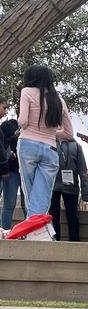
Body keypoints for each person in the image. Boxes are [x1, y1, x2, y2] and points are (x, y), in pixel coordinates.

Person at [17, 65, 73, 219]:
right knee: (42, 193)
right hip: (51, 148)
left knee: (29, 191)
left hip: (28, 143)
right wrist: (51, 133)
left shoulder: (26, 92)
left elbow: (23, 121)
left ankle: (32, 227)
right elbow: (69, 133)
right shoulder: (59, 100)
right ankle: (37, 226)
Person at [49, 135, 88, 241]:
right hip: (53, 186)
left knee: (72, 216)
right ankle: (55, 240)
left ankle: (74, 242)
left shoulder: (76, 146)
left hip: (71, 187)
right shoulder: (50, 142)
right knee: (54, 216)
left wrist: (85, 193)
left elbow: (82, 170)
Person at [0, 97, 22, 230]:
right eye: (4, 107)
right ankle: (5, 231)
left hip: (26, 170)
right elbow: (3, 144)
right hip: (11, 170)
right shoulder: (8, 125)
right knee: (9, 203)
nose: (6, 111)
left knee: (29, 204)